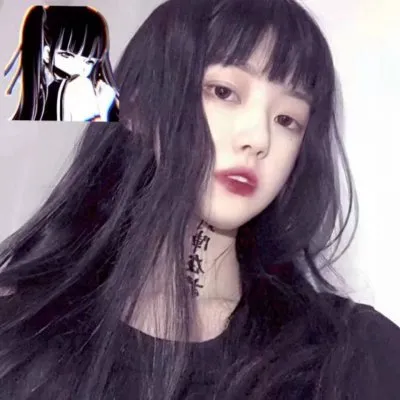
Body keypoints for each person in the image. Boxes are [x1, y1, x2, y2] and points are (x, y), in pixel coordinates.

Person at [0, 0, 399, 399]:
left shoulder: (355, 356)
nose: (258, 138)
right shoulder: (20, 337)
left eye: (287, 120)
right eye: (224, 92)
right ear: (139, 106)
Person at [4, 6, 119, 121]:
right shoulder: (78, 87)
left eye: (89, 61)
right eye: (67, 55)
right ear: (45, 52)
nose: (79, 68)